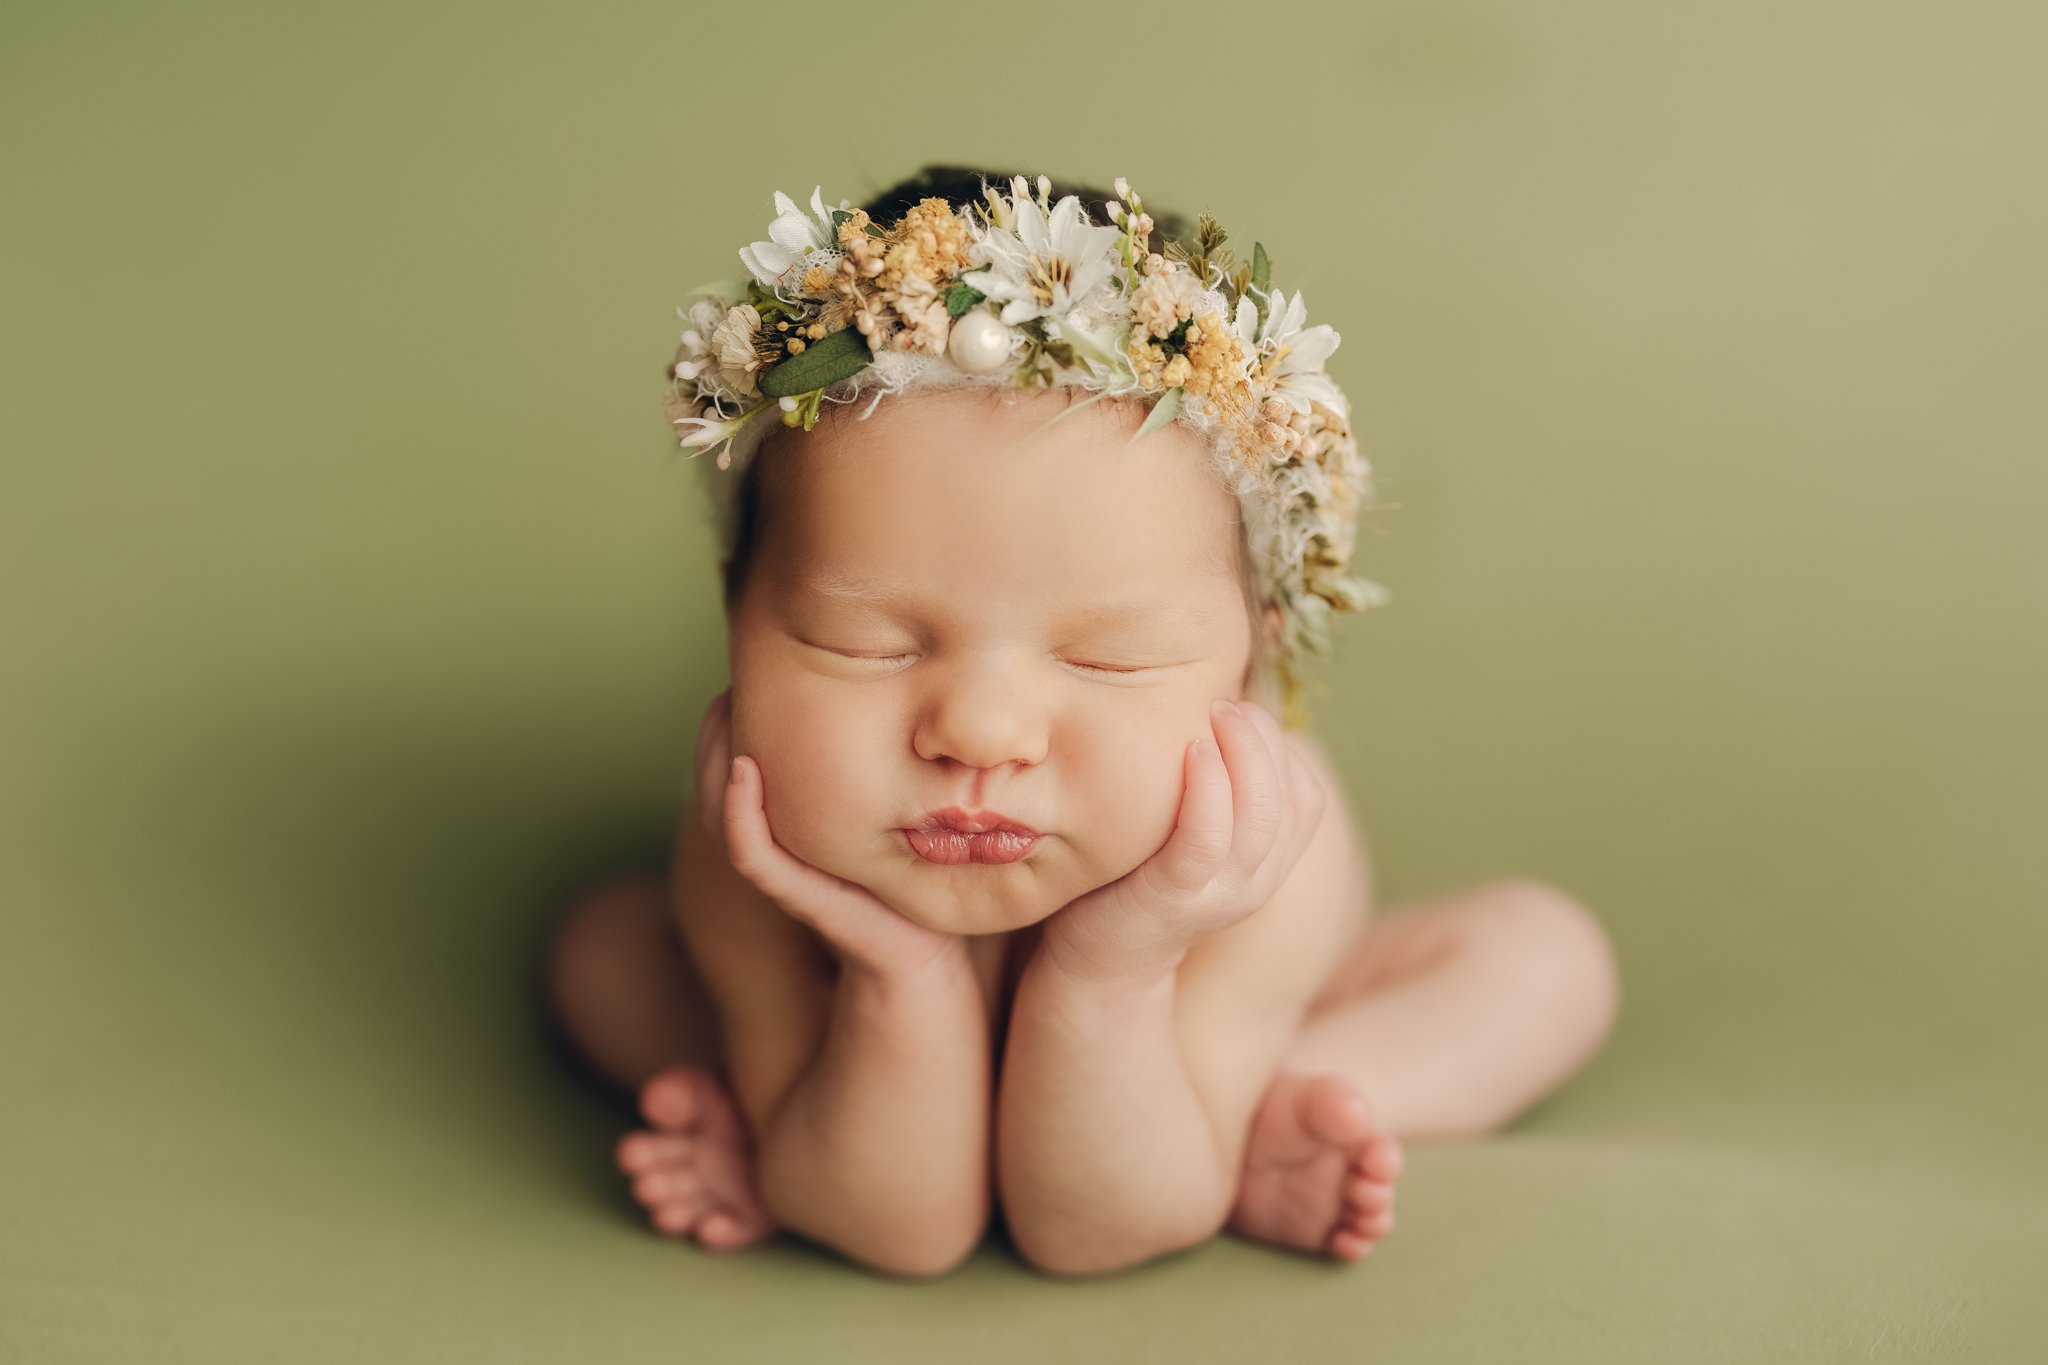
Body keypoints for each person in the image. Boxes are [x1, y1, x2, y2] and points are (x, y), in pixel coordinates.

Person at [543, 166, 1621, 1279]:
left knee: (1544, 959)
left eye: (1107, 657)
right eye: (868, 646)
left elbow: (1094, 1228)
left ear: (1250, 657)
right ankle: (801, 1097)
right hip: (851, 1030)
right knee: (601, 950)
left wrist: (1114, 968)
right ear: (736, 614)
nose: (979, 731)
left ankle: (1253, 1106)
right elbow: (896, 1231)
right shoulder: (752, 845)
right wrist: (891, 970)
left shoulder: (1253, 861)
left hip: (1183, 1039)